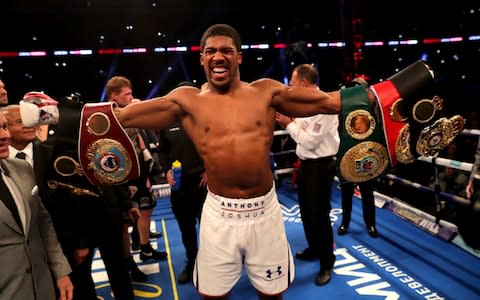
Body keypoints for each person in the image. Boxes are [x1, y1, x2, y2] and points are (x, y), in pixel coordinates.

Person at [112, 24, 341, 300]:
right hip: (219, 214)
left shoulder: (266, 92)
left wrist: (383, 93)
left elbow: (329, 103)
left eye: (226, 50)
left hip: (264, 213)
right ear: (201, 58)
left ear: (239, 57)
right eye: (210, 51)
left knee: (272, 294)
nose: (218, 57)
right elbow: (120, 117)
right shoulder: (187, 101)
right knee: (214, 296)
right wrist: (61, 113)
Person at [275, 64, 339, 286]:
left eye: (292, 81)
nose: (290, 86)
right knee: (306, 213)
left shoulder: (325, 104)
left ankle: (326, 262)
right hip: (306, 165)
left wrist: (290, 124)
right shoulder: (303, 104)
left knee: (319, 215)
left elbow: (311, 141)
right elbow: (303, 137)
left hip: (321, 166)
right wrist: (293, 125)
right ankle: (314, 248)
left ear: (303, 82)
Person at [0, 111, 74, 300]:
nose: (5, 136)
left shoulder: (22, 168)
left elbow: (42, 222)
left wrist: (60, 270)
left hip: (43, 286)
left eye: (4, 127)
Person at [105, 76, 167, 271]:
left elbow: (139, 139)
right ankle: (127, 265)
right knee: (125, 222)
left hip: (139, 172)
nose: (131, 97)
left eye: (131, 93)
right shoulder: (105, 118)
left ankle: (145, 248)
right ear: (114, 96)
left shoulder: (129, 112)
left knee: (147, 209)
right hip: (121, 177)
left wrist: (147, 171)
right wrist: (122, 181)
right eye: (127, 94)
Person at [156, 81, 208, 284]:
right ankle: (193, 261)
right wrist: (167, 169)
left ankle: (214, 264)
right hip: (179, 184)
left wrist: (210, 170)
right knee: (186, 227)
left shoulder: (203, 118)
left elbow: (217, 145)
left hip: (203, 183)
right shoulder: (168, 122)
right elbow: (161, 150)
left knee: (210, 227)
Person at [337, 77, 379, 238]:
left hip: (366, 155)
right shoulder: (343, 108)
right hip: (347, 154)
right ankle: (345, 222)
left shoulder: (372, 109)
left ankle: (371, 224)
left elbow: (377, 131)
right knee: (346, 192)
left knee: (367, 192)